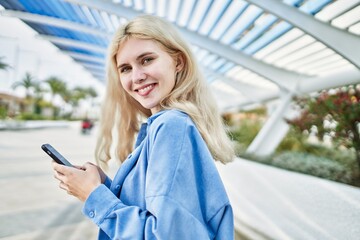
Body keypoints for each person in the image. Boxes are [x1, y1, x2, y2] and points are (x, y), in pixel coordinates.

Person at [52, 15, 235, 239]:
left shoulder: (172, 126)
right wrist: (105, 186)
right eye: (126, 68)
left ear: (178, 62)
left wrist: (92, 194)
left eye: (147, 60)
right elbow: (159, 214)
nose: (137, 76)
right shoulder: (164, 126)